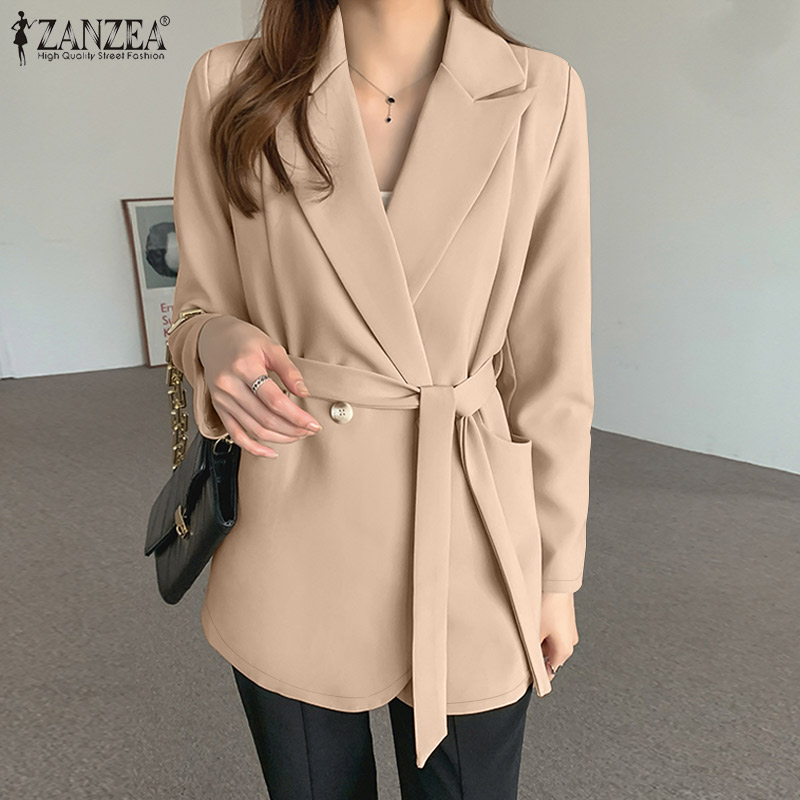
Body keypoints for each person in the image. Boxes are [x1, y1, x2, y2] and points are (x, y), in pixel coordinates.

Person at [165, 0, 593, 797]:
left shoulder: (542, 91)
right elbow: (198, 305)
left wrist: (555, 573)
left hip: (471, 523)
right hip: (294, 512)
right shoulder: (231, 84)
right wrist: (214, 341)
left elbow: (552, 367)